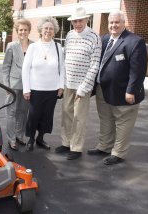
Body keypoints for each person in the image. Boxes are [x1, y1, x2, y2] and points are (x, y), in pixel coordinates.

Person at [87, 10, 147, 165]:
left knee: (123, 122)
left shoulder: (134, 41)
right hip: (103, 89)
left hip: (124, 92)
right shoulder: (105, 39)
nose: (113, 25)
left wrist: (131, 90)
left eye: (117, 22)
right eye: (111, 22)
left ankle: (118, 153)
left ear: (124, 23)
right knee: (105, 119)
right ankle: (105, 146)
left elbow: (138, 70)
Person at [55, 7, 101, 160]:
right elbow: (65, 58)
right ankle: (66, 142)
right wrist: (63, 82)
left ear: (86, 20)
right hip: (68, 83)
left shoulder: (94, 37)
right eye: (75, 21)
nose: (77, 23)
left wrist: (84, 87)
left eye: (80, 20)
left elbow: (95, 64)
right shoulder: (69, 35)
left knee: (79, 117)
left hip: (83, 86)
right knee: (66, 114)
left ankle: (76, 147)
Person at [22, 16, 65, 152]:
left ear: (55, 31)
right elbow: (25, 68)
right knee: (34, 115)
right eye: (46, 28)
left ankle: (41, 138)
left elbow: (62, 68)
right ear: (41, 30)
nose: (48, 31)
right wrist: (26, 89)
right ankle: (31, 139)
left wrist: (61, 86)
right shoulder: (33, 47)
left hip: (52, 89)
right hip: (36, 89)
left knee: (47, 116)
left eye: (51, 29)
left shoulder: (58, 47)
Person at [2, 19, 33, 151]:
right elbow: (6, 67)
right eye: (20, 29)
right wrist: (6, 86)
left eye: (25, 29)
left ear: (29, 31)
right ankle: (11, 139)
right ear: (17, 31)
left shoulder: (34, 46)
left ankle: (20, 136)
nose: (23, 32)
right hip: (13, 86)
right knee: (11, 113)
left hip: (28, 87)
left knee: (23, 112)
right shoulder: (11, 46)